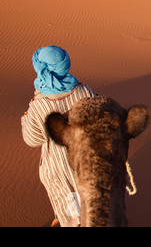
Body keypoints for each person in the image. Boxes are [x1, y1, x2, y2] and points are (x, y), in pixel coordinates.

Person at [21, 45, 96, 227]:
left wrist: (26, 118)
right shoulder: (85, 91)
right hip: (87, 162)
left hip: (59, 168)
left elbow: (32, 139)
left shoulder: (39, 106)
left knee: (72, 216)